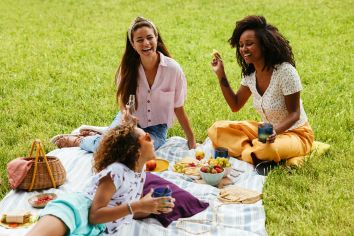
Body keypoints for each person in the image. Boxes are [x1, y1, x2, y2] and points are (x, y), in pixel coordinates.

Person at [52, 16, 196, 151]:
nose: (146, 43)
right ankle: (79, 141)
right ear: (133, 45)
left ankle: (99, 135)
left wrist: (191, 139)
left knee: (139, 150)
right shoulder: (128, 68)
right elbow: (122, 98)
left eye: (149, 37)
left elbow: (178, 107)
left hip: (156, 129)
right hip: (128, 120)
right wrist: (126, 116)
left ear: (156, 39)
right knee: (110, 149)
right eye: (139, 40)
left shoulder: (173, 69)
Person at [27, 123, 175, 235]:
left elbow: (125, 209)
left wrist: (151, 208)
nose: (153, 141)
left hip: (96, 230)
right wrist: (137, 205)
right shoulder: (116, 171)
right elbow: (94, 215)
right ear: (134, 150)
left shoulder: (139, 173)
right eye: (148, 138)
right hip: (77, 211)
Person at [208, 15, 314, 167]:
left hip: (296, 134)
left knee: (264, 150)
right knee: (217, 129)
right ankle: (254, 150)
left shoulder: (285, 72)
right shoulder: (251, 75)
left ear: (264, 45)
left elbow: (294, 113)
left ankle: (256, 151)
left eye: (249, 44)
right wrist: (221, 74)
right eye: (241, 45)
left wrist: (275, 132)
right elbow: (235, 105)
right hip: (266, 133)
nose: (244, 49)